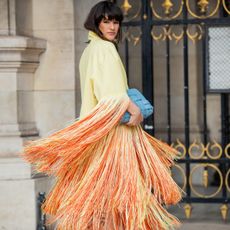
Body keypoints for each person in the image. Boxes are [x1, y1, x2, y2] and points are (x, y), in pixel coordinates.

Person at [22, 1, 182, 229]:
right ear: (96, 23)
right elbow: (111, 96)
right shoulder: (105, 49)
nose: (112, 26)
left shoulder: (89, 51)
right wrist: (135, 111)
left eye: (116, 21)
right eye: (106, 21)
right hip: (113, 137)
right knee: (114, 200)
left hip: (96, 137)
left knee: (99, 200)